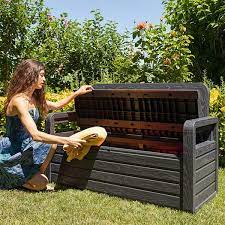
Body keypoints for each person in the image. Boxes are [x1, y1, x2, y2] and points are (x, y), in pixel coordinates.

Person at [0, 59, 107, 191]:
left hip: (26, 146)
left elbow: (56, 105)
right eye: (41, 75)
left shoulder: (33, 98)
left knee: (51, 145)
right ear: (30, 75)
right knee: (42, 184)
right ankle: (15, 178)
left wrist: (77, 93)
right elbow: (35, 134)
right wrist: (67, 140)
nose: (44, 79)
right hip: (12, 152)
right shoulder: (19, 101)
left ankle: (35, 175)